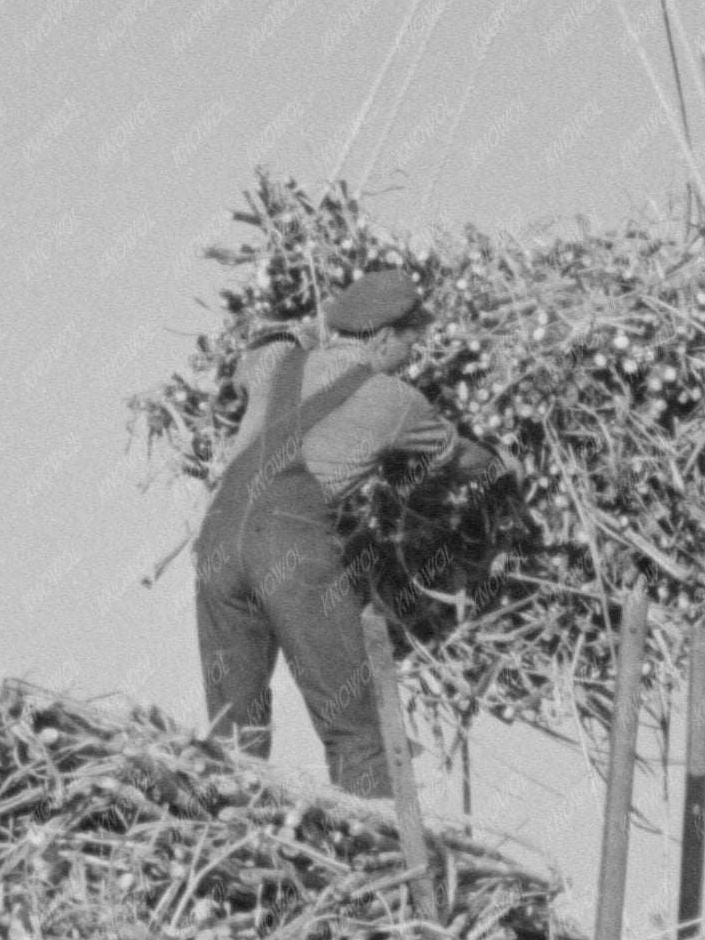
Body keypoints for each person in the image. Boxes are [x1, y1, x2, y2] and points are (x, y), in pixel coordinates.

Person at [193, 268, 497, 798]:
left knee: (233, 734)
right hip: (288, 548)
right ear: (382, 338)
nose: (411, 358)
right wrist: (505, 466)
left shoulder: (272, 364)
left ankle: (229, 845)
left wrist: (306, 333)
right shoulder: (395, 400)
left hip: (216, 545)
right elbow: (460, 460)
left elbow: (251, 361)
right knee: (357, 731)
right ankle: (381, 865)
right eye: (409, 343)